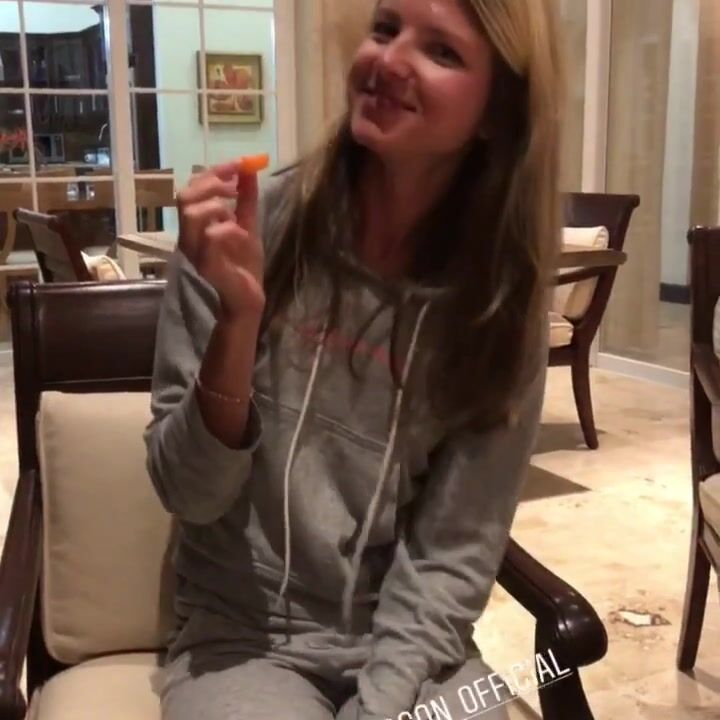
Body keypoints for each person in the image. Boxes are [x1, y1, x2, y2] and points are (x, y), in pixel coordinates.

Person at [145, 0, 563, 718]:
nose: (389, 60)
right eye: (385, 28)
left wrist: (383, 703)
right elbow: (189, 493)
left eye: (441, 51)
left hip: (416, 650)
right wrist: (239, 323)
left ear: (496, 111)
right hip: (241, 639)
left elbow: (452, 553)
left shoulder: (498, 307)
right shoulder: (243, 234)